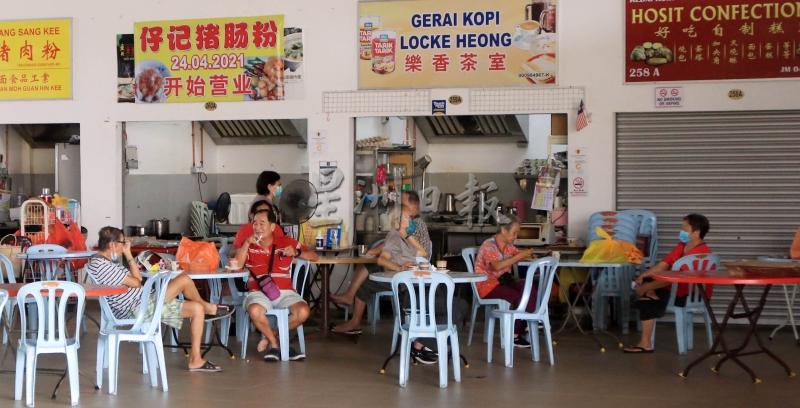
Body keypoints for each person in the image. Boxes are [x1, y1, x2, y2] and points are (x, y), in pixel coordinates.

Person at [86, 227, 232, 372]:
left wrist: (128, 253)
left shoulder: (104, 262)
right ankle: (210, 309)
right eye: (123, 243)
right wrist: (128, 255)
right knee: (184, 281)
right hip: (137, 308)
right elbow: (137, 282)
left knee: (195, 306)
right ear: (112, 245)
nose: (124, 246)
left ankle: (196, 359)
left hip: (143, 301)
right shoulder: (101, 265)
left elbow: (138, 279)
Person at [330, 208, 438, 364]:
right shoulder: (394, 236)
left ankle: (352, 312)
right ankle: (353, 317)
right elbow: (382, 259)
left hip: (416, 280)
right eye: (407, 218)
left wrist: (407, 236)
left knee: (367, 277)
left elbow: (423, 254)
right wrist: (399, 267)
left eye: (410, 218)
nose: (411, 221)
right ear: (399, 222)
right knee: (368, 277)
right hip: (401, 280)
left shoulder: (412, 236)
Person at [232, 209, 319, 361]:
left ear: (272, 227)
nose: (257, 227)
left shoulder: (286, 241)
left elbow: (315, 256)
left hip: (285, 292)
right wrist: (246, 243)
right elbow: (237, 265)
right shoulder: (249, 244)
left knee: (304, 311)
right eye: (255, 224)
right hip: (258, 292)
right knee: (254, 310)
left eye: (262, 223)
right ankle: (275, 344)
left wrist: (297, 253)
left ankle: (270, 337)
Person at [624, 213, 712, 353]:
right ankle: (650, 296)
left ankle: (645, 343)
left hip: (686, 295)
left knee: (646, 299)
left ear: (696, 232)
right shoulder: (682, 246)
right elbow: (663, 265)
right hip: (673, 288)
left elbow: (675, 278)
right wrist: (644, 275)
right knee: (647, 284)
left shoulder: (701, 253)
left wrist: (647, 286)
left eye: (684, 228)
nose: (681, 231)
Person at [330, 190, 430, 306]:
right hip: (400, 266)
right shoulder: (403, 225)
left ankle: (349, 298)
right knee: (368, 267)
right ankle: (350, 301)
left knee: (370, 266)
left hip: (411, 271)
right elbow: (393, 241)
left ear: (413, 207)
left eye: (402, 204)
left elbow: (416, 249)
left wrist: (378, 252)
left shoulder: (415, 224)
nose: (398, 207)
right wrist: (375, 251)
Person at [474, 216, 538, 348]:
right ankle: (515, 334)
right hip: (487, 285)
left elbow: (520, 255)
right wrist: (519, 256)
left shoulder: (509, 246)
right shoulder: (488, 245)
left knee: (527, 287)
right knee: (516, 296)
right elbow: (496, 266)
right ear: (503, 230)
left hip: (504, 282)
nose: (515, 236)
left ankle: (528, 321)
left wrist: (530, 255)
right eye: (514, 233)